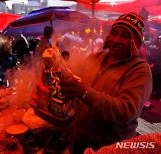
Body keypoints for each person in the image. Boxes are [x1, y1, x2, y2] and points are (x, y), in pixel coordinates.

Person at [60, 12, 152, 153]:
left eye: (125, 36)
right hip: (78, 138)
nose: (116, 40)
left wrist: (84, 92)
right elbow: (74, 79)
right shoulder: (96, 57)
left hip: (110, 147)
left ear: (136, 42)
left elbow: (125, 112)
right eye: (114, 33)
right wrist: (58, 70)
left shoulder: (140, 70)